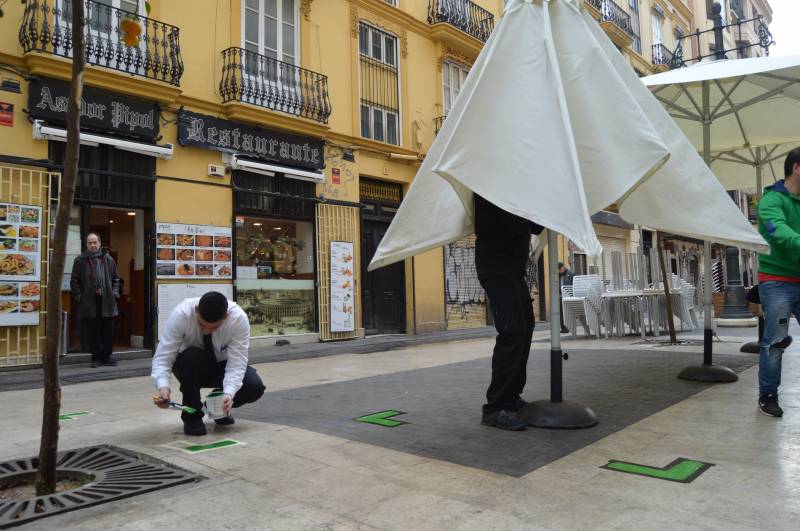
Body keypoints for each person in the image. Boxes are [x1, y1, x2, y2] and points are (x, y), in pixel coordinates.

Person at [151, 291, 266, 435]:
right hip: (190, 367)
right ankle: (192, 417)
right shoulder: (182, 314)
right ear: (196, 310)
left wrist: (229, 394)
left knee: (253, 386)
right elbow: (164, 355)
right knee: (192, 355)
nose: (206, 331)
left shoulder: (238, 319)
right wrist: (163, 387)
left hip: (220, 365)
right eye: (201, 324)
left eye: (213, 328)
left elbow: (237, 362)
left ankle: (215, 408)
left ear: (225, 317)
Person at [475, 194, 544, 431]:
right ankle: (495, 407)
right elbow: (511, 223)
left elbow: (537, 225)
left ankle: (512, 395)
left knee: (526, 326)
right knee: (511, 331)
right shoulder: (488, 190)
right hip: (495, 269)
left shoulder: (516, 191)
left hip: (514, 271)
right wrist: (526, 210)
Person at [755, 147, 800, 418]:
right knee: (775, 341)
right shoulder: (771, 201)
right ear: (797, 168)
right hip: (777, 282)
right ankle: (768, 394)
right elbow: (778, 231)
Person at [70, 232, 120, 368]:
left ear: (99, 243)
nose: (92, 245)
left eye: (95, 242)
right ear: (86, 244)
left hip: (107, 300)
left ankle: (107, 357)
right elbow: (74, 281)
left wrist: (115, 293)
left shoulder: (108, 259)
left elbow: (116, 278)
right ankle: (95, 358)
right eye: (90, 243)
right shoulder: (80, 260)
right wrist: (79, 296)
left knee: (108, 331)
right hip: (89, 301)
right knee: (93, 332)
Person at [558, 262, 575, 334]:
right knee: (561, 313)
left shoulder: (571, 274)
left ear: (563, 267)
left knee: (567, 313)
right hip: (560, 296)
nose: (559, 271)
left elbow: (573, 285)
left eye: (560, 269)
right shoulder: (557, 275)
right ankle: (563, 328)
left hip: (569, 296)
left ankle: (568, 327)